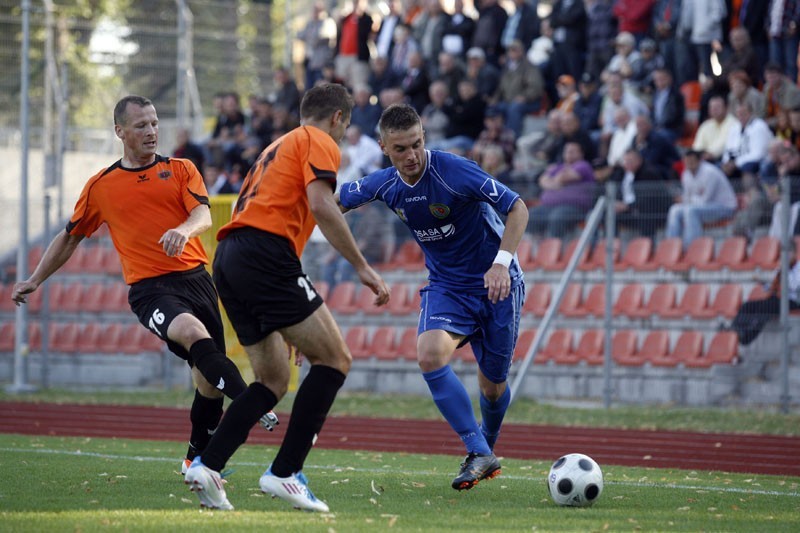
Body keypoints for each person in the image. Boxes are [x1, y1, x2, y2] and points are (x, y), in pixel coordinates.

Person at [11, 95, 277, 475]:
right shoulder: (101, 186)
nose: (152, 131)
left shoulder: (181, 169)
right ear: (120, 131)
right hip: (150, 290)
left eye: (154, 123)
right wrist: (35, 279)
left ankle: (194, 458)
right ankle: (252, 403)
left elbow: (201, 214)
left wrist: (183, 231)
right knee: (190, 331)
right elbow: (70, 237)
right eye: (142, 126)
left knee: (207, 383)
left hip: (197, 281)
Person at [183, 83, 390, 512]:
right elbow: (322, 203)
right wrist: (362, 266)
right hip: (265, 256)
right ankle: (285, 472)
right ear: (337, 118)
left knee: (273, 381)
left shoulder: (277, 145)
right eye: (344, 126)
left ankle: (207, 464)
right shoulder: (318, 140)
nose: (340, 135)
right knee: (336, 360)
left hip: (232, 259)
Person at [337, 103, 528, 491]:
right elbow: (329, 202)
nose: (412, 156)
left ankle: (485, 449)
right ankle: (477, 449)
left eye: (417, 144)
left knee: (492, 387)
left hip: (497, 285)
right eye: (401, 149)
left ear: (424, 138)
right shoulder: (384, 184)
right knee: (428, 354)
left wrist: (501, 263)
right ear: (384, 148)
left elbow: (517, 207)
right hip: (447, 288)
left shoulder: (454, 170)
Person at [666, 150, 738, 249]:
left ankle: (691, 247)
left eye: (692, 161)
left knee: (691, 211)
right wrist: (687, 200)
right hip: (703, 207)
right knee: (674, 209)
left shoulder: (710, 173)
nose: (689, 164)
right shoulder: (686, 174)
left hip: (724, 208)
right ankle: (672, 247)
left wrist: (688, 200)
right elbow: (687, 197)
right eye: (687, 162)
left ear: (699, 161)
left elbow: (705, 200)